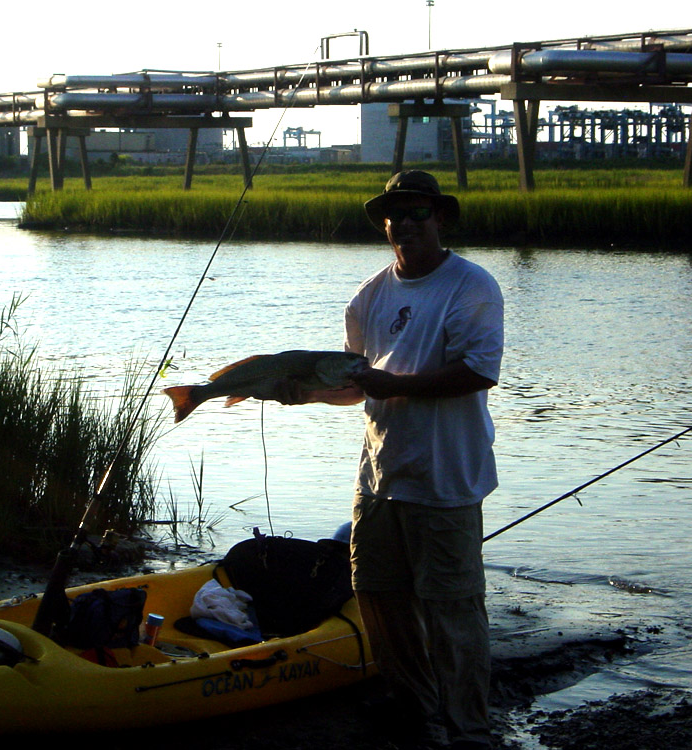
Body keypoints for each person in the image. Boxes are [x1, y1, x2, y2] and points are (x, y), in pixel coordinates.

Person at [282, 170, 503, 750]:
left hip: (446, 479)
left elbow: (478, 371)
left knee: (453, 610)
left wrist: (389, 383)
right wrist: (303, 392)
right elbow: (359, 384)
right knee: (378, 597)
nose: (404, 224)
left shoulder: (471, 286)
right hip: (379, 478)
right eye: (394, 214)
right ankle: (416, 712)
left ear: (439, 219)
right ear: (384, 224)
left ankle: (469, 730)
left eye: (416, 213)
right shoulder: (369, 296)